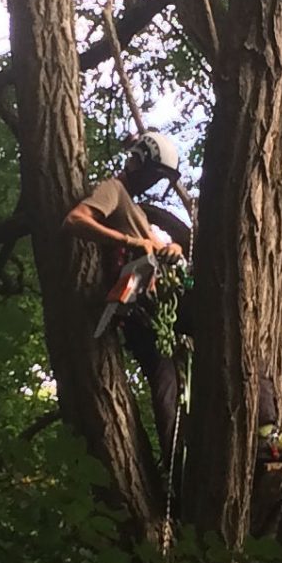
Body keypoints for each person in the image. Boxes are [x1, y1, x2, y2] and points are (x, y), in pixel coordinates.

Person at [64, 132, 188, 461]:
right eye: (151, 175)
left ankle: (183, 467)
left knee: (171, 388)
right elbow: (75, 220)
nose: (151, 183)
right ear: (137, 164)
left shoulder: (138, 211)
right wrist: (130, 242)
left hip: (158, 302)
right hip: (143, 304)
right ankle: (262, 429)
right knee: (229, 323)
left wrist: (169, 248)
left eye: (156, 179)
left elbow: (154, 246)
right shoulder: (113, 190)